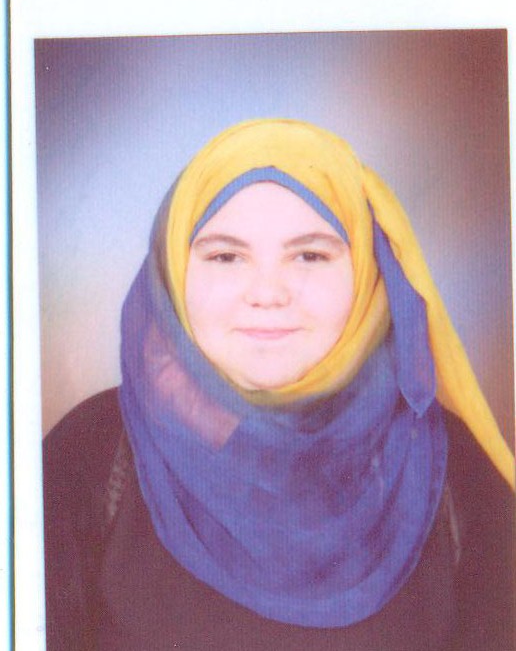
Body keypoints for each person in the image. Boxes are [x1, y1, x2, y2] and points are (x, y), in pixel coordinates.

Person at [43, 118, 515, 650]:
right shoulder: (89, 454)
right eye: (226, 256)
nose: (268, 294)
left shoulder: (455, 472)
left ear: (368, 273)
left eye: (310, 255)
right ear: (173, 270)